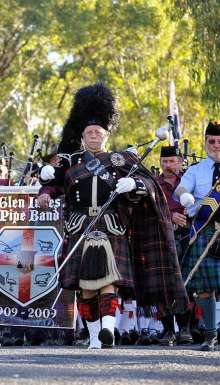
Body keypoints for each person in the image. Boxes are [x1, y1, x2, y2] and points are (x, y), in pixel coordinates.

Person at [38, 83, 188, 349]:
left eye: (98, 132)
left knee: (109, 281)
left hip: (111, 226)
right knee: (85, 286)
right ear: (83, 137)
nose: (94, 135)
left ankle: (108, 330)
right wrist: (46, 184)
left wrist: (135, 186)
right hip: (80, 226)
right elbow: (53, 184)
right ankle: (95, 337)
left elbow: (150, 184)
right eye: (89, 132)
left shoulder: (121, 161)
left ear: (106, 135)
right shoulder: (70, 162)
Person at [175, 121, 220, 351]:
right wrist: (185, 197)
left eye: (219, 141)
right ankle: (211, 336)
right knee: (205, 287)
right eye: (211, 141)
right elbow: (181, 188)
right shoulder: (196, 170)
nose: (216, 145)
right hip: (205, 230)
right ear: (205, 143)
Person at [155, 146, 193, 345]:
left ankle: (186, 328)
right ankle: (168, 330)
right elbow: (148, 208)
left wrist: (190, 215)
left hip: (187, 236)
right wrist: (170, 216)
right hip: (161, 237)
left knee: (185, 282)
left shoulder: (188, 181)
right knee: (164, 284)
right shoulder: (154, 183)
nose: (167, 165)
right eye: (164, 162)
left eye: (171, 161)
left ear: (179, 162)